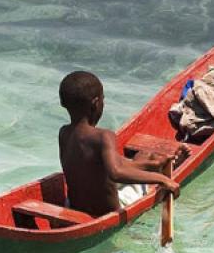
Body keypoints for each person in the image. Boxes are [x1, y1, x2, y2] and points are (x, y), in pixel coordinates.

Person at [58, 70, 183, 217]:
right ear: (96, 104)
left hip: (74, 207)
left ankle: (143, 165)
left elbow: (94, 166)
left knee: (116, 165)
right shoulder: (104, 136)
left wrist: (138, 166)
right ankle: (154, 169)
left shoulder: (64, 133)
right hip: (109, 211)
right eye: (103, 99)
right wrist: (162, 179)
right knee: (141, 183)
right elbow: (116, 173)